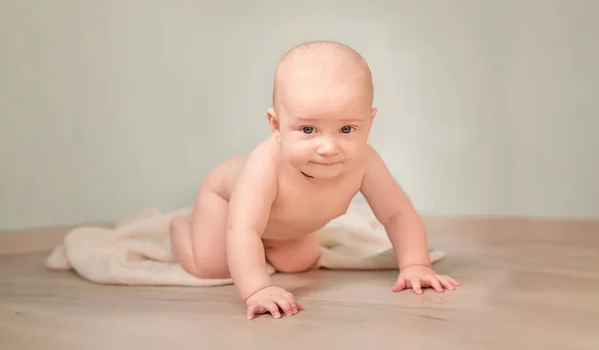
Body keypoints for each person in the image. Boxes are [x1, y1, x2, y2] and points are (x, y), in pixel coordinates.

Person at [169, 40, 460, 320]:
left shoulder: (366, 163)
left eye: (346, 129)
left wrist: (415, 264)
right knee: (214, 266)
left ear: (369, 123)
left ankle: (267, 248)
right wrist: (258, 289)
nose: (328, 147)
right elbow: (243, 228)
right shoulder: (265, 165)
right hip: (225, 203)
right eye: (308, 129)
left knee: (300, 263)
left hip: (283, 227)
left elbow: (397, 213)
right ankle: (183, 227)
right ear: (276, 125)